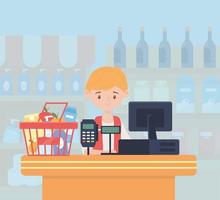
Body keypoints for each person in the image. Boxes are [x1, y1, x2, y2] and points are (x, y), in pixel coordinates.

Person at [85, 66, 130, 155]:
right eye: (99, 96)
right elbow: (87, 151)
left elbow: (128, 145)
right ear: (88, 94)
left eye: (114, 96)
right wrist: (103, 153)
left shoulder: (118, 122)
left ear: (125, 94)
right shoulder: (93, 124)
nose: (107, 100)